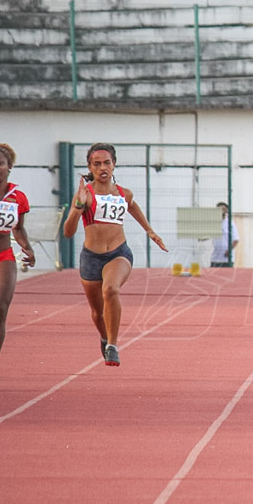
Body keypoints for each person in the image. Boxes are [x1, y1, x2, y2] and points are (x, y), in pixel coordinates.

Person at [62, 143, 168, 366]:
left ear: (114, 165)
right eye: (97, 163)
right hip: (91, 257)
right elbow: (68, 232)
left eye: (107, 163)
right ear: (90, 167)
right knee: (97, 313)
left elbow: (133, 207)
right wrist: (78, 206)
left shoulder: (123, 193)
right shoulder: (85, 194)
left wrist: (149, 230)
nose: (102, 168)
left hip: (118, 254)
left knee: (111, 289)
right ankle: (103, 336)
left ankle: (112, 345)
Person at [0, 143, 35, 376]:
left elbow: (18, 228)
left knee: (0, 309)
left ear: (9, 166)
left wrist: (27, 248)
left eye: (0, 164)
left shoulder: (17, 197)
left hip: (3, 255)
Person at [210, 201, 239, 267]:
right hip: (215, 257)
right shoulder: (214, 223)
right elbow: (207, 235)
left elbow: (236, 240)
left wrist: (229, 251)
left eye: (223, 209)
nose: (221, 211)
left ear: (226, 211)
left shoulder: (230, 223)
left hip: (226, 258)